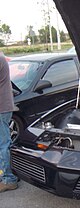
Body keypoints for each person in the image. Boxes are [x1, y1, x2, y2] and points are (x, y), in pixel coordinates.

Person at [0, 52, 18, 192]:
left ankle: (9, 179)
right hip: (3, 107)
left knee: (3, 144)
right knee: (5, 143)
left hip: (1, 108)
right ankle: (9, 174)